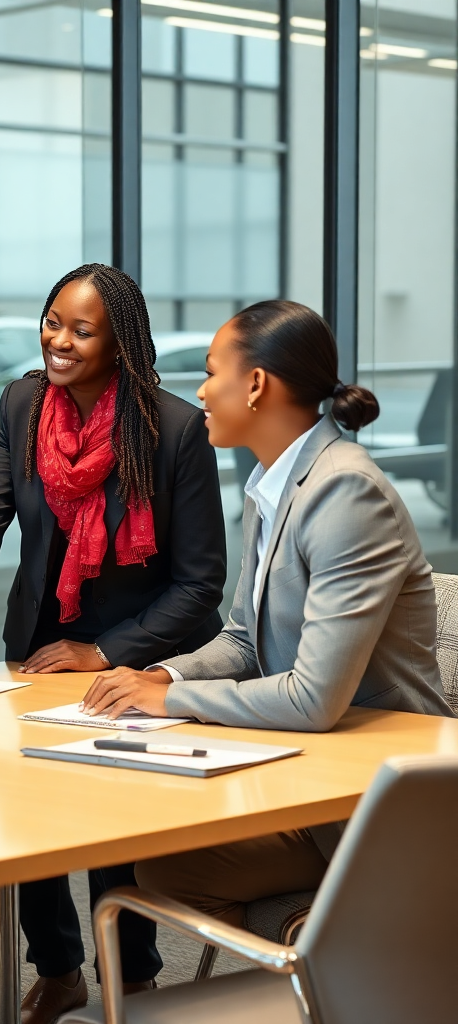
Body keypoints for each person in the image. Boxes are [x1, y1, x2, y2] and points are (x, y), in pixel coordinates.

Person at [0, 264, 227, 1022]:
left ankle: (131, 981)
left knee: (112, 824)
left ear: (120, 342)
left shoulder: (174, 428)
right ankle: (61, 969)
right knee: (27, 804)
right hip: (41, 643)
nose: (58, 340)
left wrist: (105, 653)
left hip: (142, 652)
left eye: (81, 328)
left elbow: (200, 585)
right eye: (51, 321)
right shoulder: (22, 404)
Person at [74, 298, 453, 926]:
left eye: (210, 371)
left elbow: (312, 700)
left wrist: (167, 703)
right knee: (160, 834)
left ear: (255, 386)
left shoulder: (345, 492)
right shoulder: (272, 485)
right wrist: (164, 677)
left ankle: (341, 960)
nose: (198, 391)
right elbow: (245, 640)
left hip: (380, 797)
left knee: (170, 868)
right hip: (315, 770)